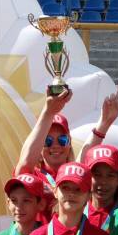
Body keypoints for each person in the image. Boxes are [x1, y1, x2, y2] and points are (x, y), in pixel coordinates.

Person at [15, 91, 75, 223]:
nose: (55, 145)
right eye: (47, 140)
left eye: (62, 140)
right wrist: (48, 111)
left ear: (69, 143)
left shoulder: (76, 175)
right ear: (39, 145)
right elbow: (24, 165)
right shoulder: (34, 175)